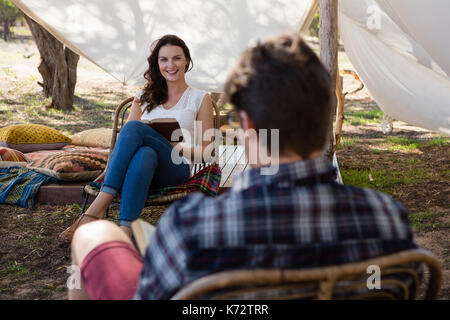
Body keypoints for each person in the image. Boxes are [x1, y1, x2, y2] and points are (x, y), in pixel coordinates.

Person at [69, 33, 418, 300]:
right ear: (327, 117)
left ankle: (100, 220)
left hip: (177, 164)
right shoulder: (387, 217)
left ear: (247, 126)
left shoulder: (190, 224)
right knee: (142, 153)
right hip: (156, 163)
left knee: (92, 237)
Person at [59, 35, 215, 241]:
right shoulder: (143, 96)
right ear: (156, 63)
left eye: (177, 58)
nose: (171, 65)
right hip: (143, 169)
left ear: (187, 60)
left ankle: (94, 210)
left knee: (135, 129)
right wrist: (154, 140)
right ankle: (125, 231)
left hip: (176, 168)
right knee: (145, 153)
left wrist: (173, 145)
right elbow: (127, 140)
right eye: (164, 59)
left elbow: (207, 152)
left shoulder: (200, 98)